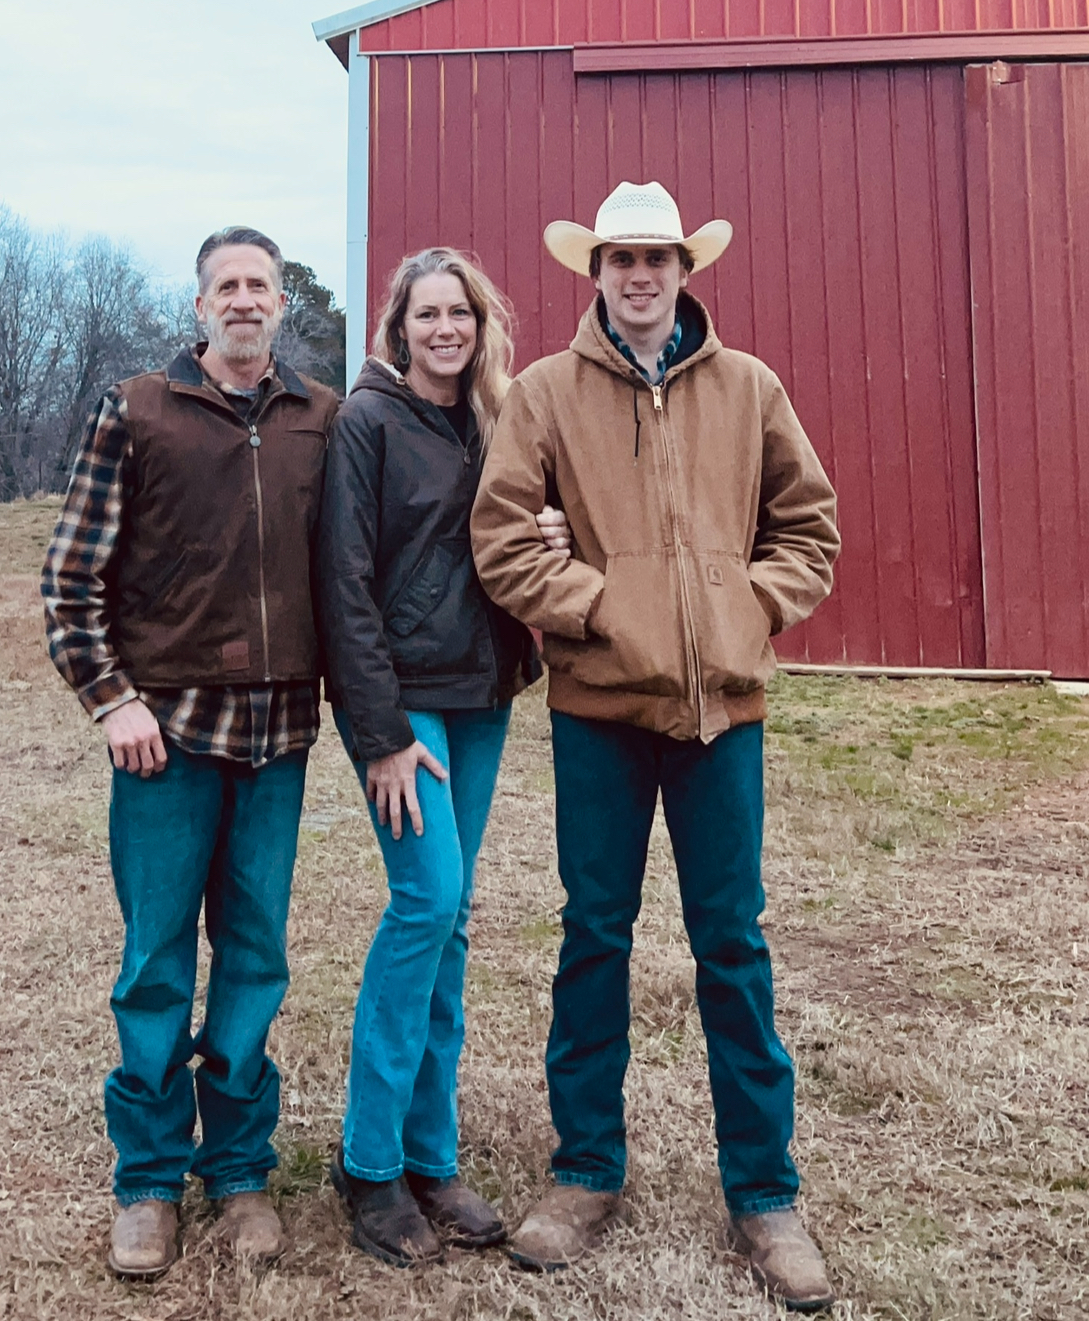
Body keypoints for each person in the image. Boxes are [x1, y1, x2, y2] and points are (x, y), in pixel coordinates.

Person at [470, 181, 842, 1311]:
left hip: (723, 715)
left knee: (733, 944)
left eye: (657, 259)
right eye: (621, 259)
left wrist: (745, 607)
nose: (639, 277)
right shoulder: (542, 395)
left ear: (686, 271)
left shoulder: (750, 387)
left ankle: (764, 1193)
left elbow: (809, 529)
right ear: (595, 272)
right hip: (598, 715)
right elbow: (503, 540)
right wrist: (599, 607)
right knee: (595, 936)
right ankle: (585, 1170)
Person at [42, 226, 337, 1277]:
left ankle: (241, 1169)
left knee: (255, 956)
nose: (245, 299)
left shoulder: (321, 418)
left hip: (279, 736)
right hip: (163, 740)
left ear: (281, 305)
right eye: (227, 285)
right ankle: (150, 1178)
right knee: (157, 961)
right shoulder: (137, 410)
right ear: (200, 305)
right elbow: (70, 579)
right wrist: (111, 699)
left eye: (261, 284)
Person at [316, 248, 563, 1266]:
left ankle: (431, 1155)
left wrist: (554, 533)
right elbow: (343, 583)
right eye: (426, 314)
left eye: (459, 312)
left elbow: (521, 537)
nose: (445, 329)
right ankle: (369, 1164)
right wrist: (380, 736)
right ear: (399, 328)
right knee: (424, 902)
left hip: (481, 694)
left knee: (451, 919)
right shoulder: (368, 423)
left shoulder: (498, 420)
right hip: (404, 704)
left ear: (480, 322)